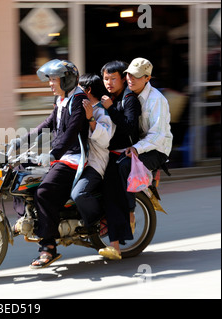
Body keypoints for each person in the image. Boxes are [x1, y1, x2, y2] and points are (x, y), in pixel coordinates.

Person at [9, 59, 89, 269]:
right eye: (50, 79)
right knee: (18, 171)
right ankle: (27, 219)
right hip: (59, 155)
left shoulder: (79, 100)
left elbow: (71, 134)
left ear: (67, 80)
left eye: (54, 79)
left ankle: (49, 247)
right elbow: (49, 123)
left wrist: (53, 154)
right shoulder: (61, 99)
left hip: (73, 158)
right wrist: (22, 140)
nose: (50, 84)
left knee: (43, 192)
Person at [121, 57, 173, 229]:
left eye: (136, 76)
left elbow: (157, 135)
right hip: (140, 145)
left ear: (147, 78)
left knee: (124, 166)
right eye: (128, 75)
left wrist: (136, 148)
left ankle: (129, 214)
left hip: (157, 149)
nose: (130, 79)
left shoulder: (157, 99)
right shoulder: (128, 94)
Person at [98, 61, 142, 260]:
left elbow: (129, 127)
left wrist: (111, 109)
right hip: (108, 153)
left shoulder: (129, 99)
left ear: (123, 78)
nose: (109, 82)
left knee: (112, 196)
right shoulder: (110, 98)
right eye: (106, 78)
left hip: (123, 154)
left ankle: (114, 245)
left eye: (113, 78)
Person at [71, 74, 115, 231]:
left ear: (88, 90)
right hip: (76, 161)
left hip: (94, 164)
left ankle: (100, 220)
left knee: (79, 194)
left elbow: (105, 140)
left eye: (79, 89)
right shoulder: (78, 109)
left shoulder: (101, 112)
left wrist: (91, 119)